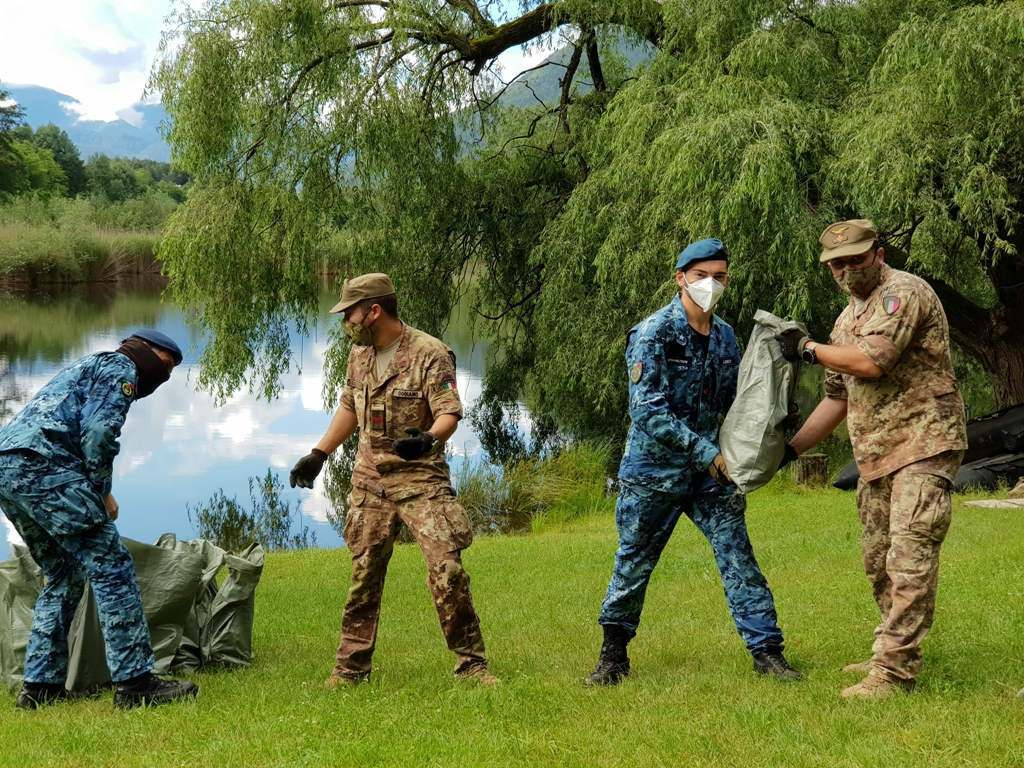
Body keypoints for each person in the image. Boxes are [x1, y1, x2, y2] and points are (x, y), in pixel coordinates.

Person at [585, 239, 801, 686]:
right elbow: (647, 411)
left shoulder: (725, 335)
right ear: (680, 277)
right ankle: (612, 657)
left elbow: (733, 404)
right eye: (701, 275)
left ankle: (768, 652)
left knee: (738, 556)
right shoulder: (653, 333)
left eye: (719, 276)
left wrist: (772, 416)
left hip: (711, 476)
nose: (710, 284)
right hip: (655, 473)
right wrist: (708, 455)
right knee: (634, 563)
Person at [775, 219, 967, 700]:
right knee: (878, 560)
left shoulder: (903, 293)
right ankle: (891, 646)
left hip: (925, 441)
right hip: (877, 455)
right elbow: (837, 399)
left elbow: (872, 361)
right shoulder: (846, 319)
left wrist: (807, 349)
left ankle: (894, 672)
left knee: (909, 556)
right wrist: (789, 450)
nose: (846, 271)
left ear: (877, 254)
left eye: (855, 260)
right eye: (836, 264)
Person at [289, 273, 498, 687]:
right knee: (364, 574)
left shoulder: (430, 352)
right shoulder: (359, 354)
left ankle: (472, 666)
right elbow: (351, 405)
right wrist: (319, 454)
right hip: (370, 479)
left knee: (447, 569)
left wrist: (428, 439)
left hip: (421, 478)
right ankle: (350, 669)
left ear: (374, 311)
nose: (346, 320)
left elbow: (449, 412)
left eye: (350, 312)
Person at [0, 329, 199, 709]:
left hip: (8, 468)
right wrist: (102, 491)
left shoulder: (87, 365)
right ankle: (136, 684)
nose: (165, 376)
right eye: (166, 366)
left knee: (63, 572)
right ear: (148, 352)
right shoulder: (120, 368)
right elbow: (98, 433)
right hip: (46, 467)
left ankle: (40, 688)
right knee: (112, 567)